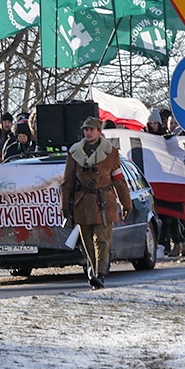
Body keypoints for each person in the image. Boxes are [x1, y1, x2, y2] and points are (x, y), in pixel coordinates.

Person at [60, 117, 133, 289]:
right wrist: (65, 207)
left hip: (104, 203)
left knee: (102, 240)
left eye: (92, 129)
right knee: (87, 242)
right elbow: (67, 182)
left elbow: (119, 180)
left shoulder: (111, 153)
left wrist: (126, 203)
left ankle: (100, 274)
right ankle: (93, 271)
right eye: (86, 129)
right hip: (82, 203)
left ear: (100, 132)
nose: (88, 132)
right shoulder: (74, 153)